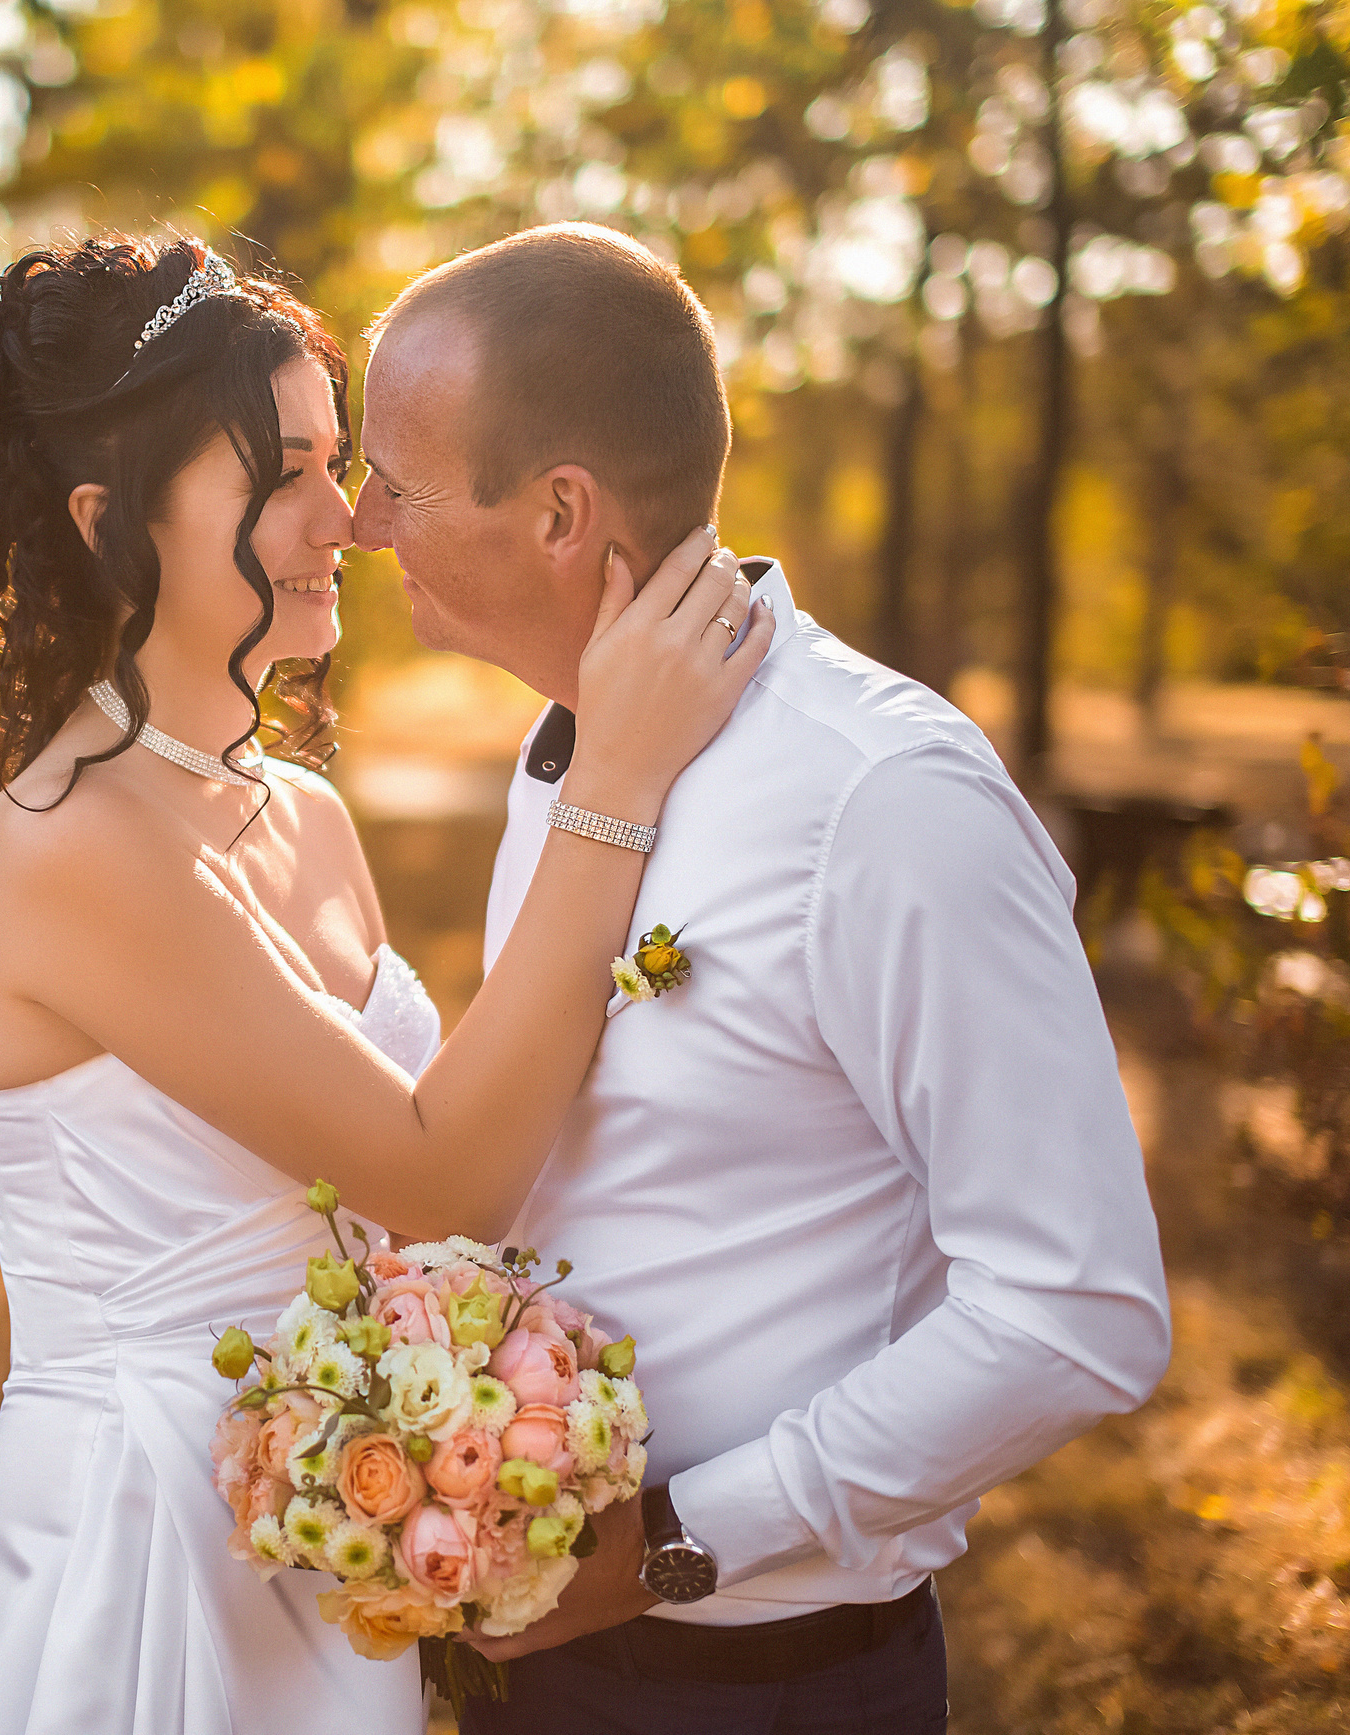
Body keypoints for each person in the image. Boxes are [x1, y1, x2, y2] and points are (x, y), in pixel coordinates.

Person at [0, 233, 767, 1734]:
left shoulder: (308, 815)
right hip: (145, 1565)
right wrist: (612, 776)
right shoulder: (60, 845)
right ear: (110, 527)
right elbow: (444, 1170)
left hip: (332, 1532)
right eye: (280, 475)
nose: (343, 520)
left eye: (341, 464)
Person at [350, 221, 1175, 1734]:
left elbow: (1079, 1311)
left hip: (758, 1688)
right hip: (535, 1666)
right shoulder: (575, 762)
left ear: (559, 514)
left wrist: (672, 1544)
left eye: (391, 483)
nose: (355, 525)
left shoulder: (884, 798)